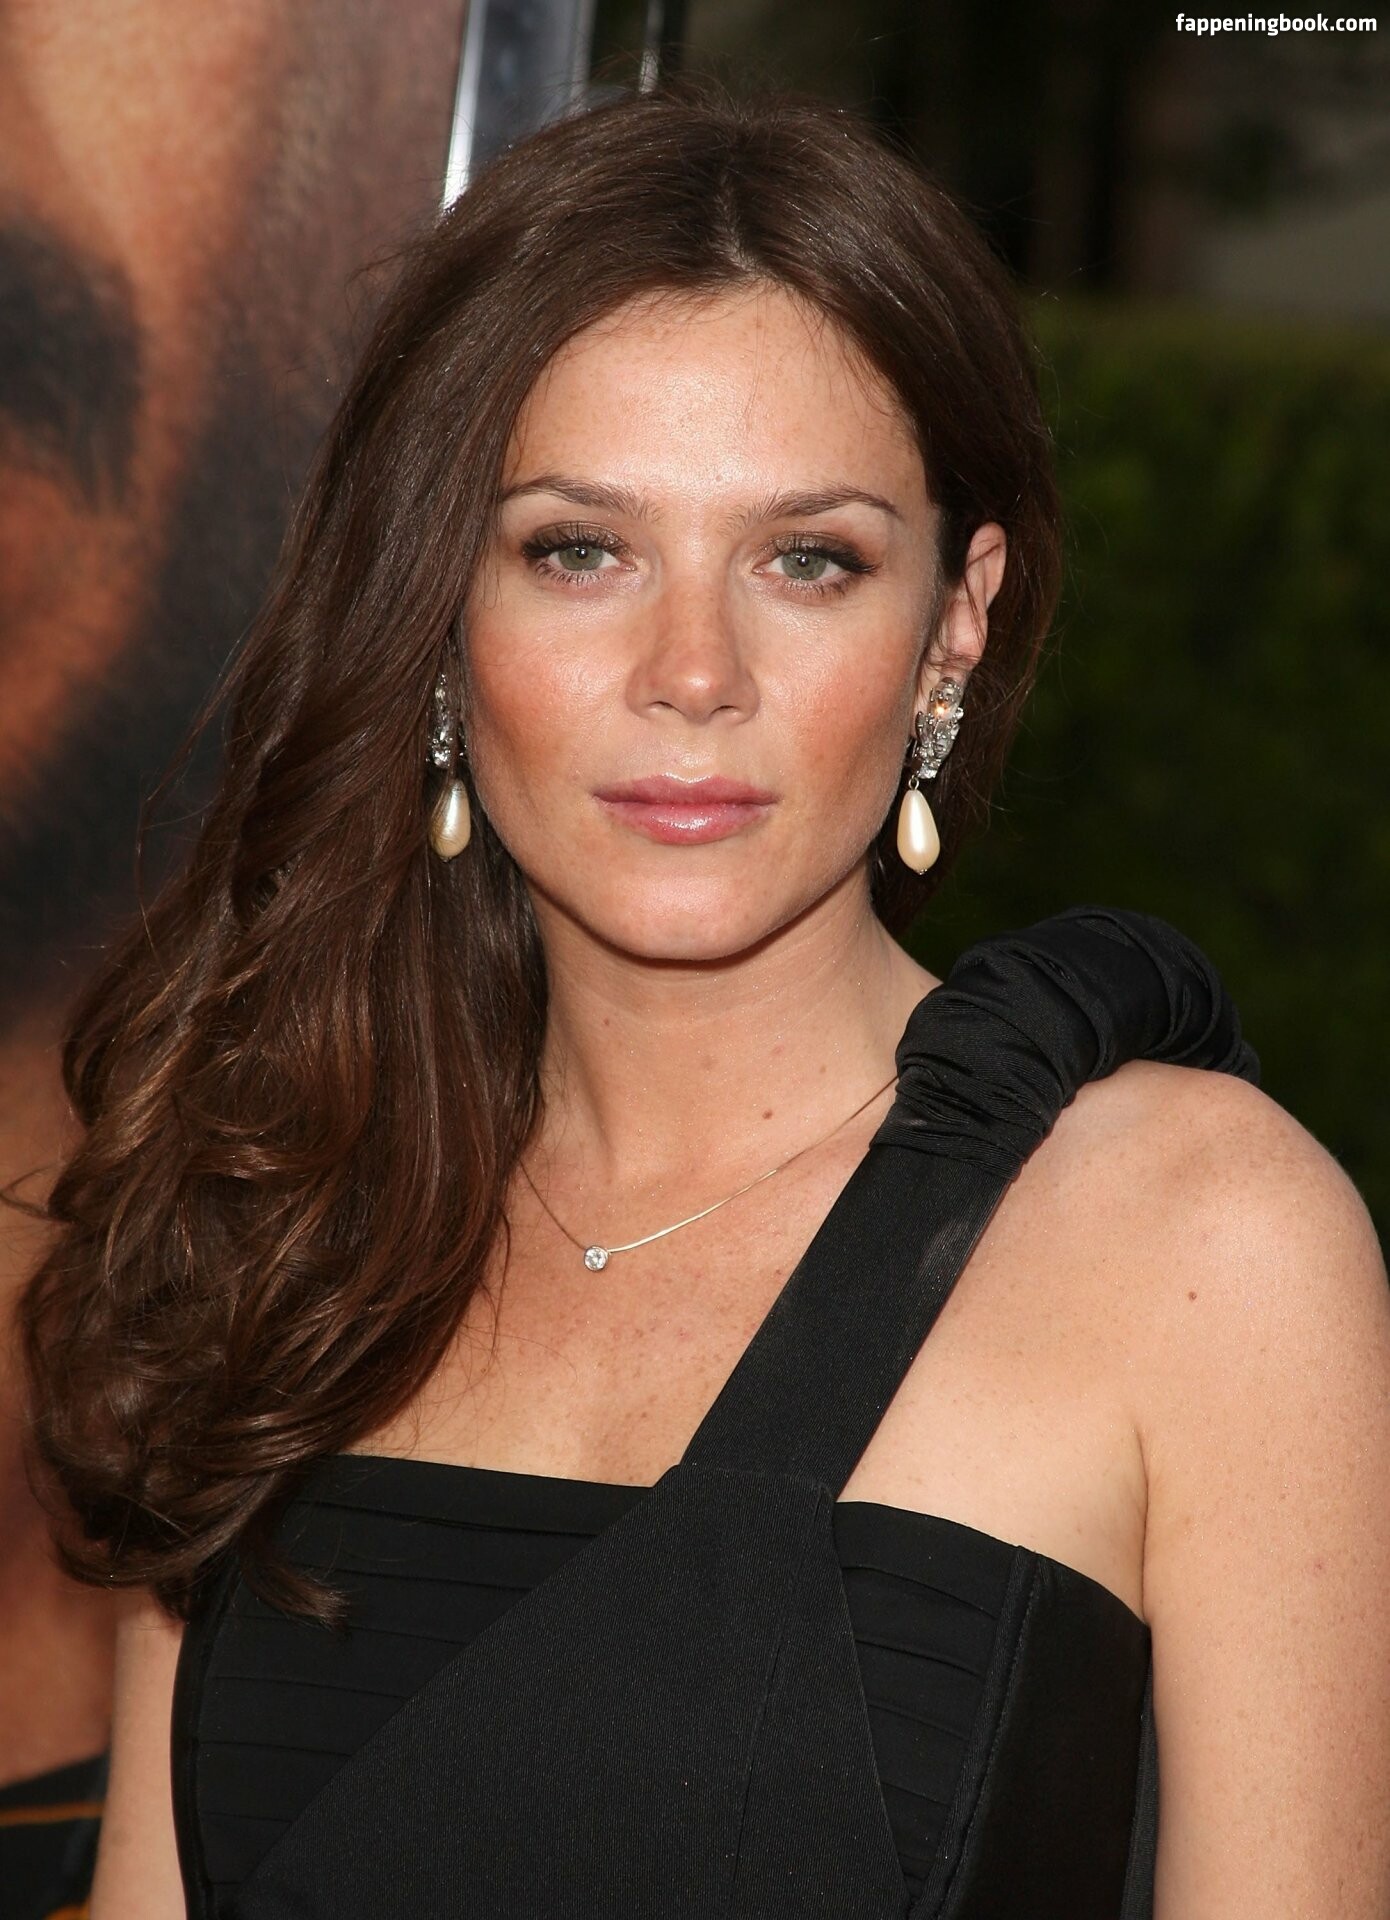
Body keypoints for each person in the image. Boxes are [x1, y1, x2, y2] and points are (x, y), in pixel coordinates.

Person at [16, 77, 1390, 1920]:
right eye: (577, 549)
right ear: (439, 609)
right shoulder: (286, 1205)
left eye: (806, 560)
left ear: (955, 621)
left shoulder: (1197, 1243)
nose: (691, 671)